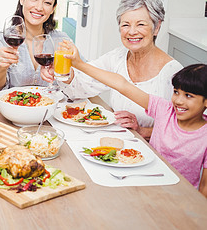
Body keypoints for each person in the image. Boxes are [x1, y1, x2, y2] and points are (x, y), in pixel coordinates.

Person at [61, 40, 206, 196]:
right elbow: (122, 84)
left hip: (179, 195)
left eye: (188, 96)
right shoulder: (164, 109)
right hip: (142, 182)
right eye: (176, 92)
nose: (178, 100)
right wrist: (79, 64)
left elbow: (204, 189)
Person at [42, 0, 183, 139]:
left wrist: (141, 130)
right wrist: (65, 73)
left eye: (141, 24)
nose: (132, 31)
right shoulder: (117, 57)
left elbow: (182, 130)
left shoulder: (173, 73)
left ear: (157, 27)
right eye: (125, 25)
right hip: (117, 140)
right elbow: (82, 86)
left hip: (150, 150)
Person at [0, 0, 72, 92]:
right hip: (13, 107)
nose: (39, 7)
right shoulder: (1, 40)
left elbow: (84, 79)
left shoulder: (62, 41)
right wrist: (1, 67)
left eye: (47, 2)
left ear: (53, 8)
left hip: (51, 108)